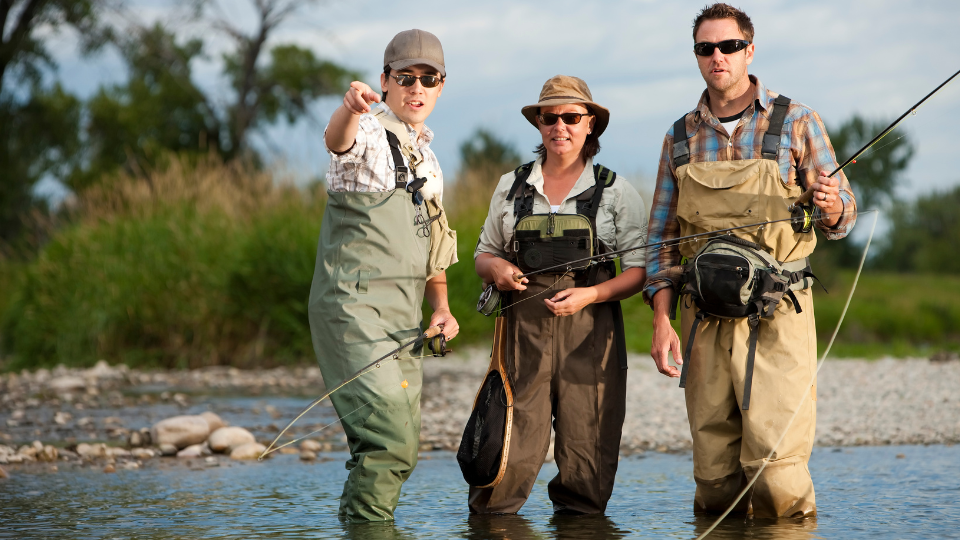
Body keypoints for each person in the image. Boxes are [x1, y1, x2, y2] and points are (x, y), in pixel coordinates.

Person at [644, 4, 858, 518]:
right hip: (702, 322)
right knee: (714, 473)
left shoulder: (798, 121)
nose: (717, 57)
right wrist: (661, 319)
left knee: (776, 468)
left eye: (729, 46)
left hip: (779, 316)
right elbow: (660, 240)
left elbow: (844, 215)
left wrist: (832, 205)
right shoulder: (678, 137)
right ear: (697, 56)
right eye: (705, 48)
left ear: (750, 50)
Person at [471, 75, 648, 515]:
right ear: (539, 125)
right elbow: (483, 254)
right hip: (521, 335)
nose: (560, 126)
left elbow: (641, 271)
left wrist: (590, 296)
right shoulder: (510, 186)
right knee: (506, 451)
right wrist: (497, 270)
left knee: (587, 460)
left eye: (572, 117)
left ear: (591, 125)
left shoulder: (616, 191)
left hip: (592, 335)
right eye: (550, 117)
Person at [308, 28, 459, 522]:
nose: (417, 88)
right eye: (405, 77)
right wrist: (351, 106)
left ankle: (362, 525)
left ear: (440, 85)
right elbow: (337, 142)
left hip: (404, 319)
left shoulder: (430, 160)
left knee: (400, 446)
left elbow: (435, 247)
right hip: (352, 312)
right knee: (389, 437)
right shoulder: (368, 131)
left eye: (428, 78)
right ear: (386, 81)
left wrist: (441, 308)